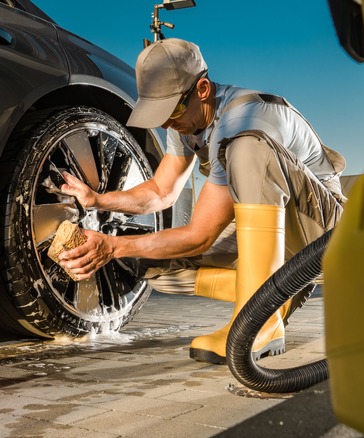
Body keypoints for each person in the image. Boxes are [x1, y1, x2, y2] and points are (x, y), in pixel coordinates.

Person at [58, 38, 346, 365]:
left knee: (247, 148)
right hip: (272, 235)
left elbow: (200, 235)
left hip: (326, 233)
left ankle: (260, 324)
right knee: (150, 262)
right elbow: (160, 191)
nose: (166, 122)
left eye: (171, 111)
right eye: (158, 113)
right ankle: (277, 296)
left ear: (203, 89)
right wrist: (98, 200)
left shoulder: (245, 118)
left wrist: (111, 246)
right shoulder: (187, 122)